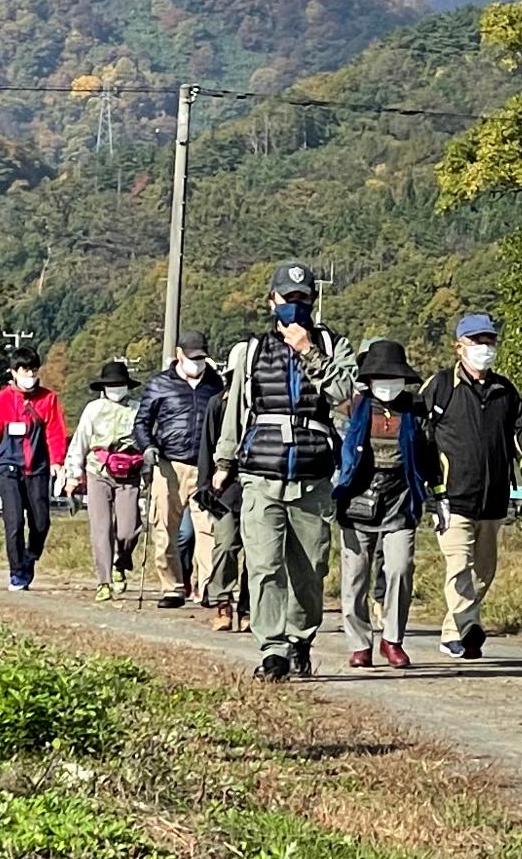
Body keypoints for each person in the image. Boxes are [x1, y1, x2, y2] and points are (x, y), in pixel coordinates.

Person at [213, 263, 358, 682]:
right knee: (264, 565)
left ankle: (300, 639)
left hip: (313, 475)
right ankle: (273, 648)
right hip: (261, 472)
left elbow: (344, 394)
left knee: (310, 568)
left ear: (312, 300)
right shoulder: (251, 351)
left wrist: (308, 352)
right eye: (286, 298)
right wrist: (225, 465)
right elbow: (237, 410)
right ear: (271, 300)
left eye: (301, 298)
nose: (294, 306)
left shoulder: (333, 344)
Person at [419, 312, 522, 660]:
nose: (484, 348)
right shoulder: (440, 386)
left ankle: (456, 628)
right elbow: (420, 436)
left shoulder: (505, 390)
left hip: (494, 499)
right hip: (452, 498)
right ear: (458, 347)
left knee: (484, 571)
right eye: (477, 341)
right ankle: (464, 629)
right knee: (458, 564)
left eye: (489, 341)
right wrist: (430, 485)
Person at [334, 338, 429, 669]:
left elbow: (428, 455)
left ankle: (393, 638)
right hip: (357, 497)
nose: (388, 384)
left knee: (400, 568)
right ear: (369, 379)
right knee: (355, 575)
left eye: (394, 377)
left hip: (400, 499)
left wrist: (437, 493)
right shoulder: (353, 407)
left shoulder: (415, 412)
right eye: (381, 377)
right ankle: (359, 643)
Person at [133, 330, 223, 610]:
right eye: (193, 357)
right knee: (164, 529)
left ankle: (208, 586)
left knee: (209, 530)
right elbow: (141, 423)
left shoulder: (215, 384)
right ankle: (172, 587)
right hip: (169, 466)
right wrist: (147, 447)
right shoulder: (160, 384)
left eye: (202, 358)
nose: (198, 363)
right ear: (179, 354)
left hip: (205, 468)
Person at [0, 345, 69, 590]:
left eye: (32, 370)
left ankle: (31, 555)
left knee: (41, 522)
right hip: (9, 469)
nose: (29, 375)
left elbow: (55, 432)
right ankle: (17, 571)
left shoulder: (48, 399)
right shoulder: (1, 401)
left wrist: (58, 461)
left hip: (38, 469)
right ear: (13, 372)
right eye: (24, 370)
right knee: (14, 523)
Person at [63, 360, 146, 602]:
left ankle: (122, 561)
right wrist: (73, 474)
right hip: (97, 472)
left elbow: (146, 441)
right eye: (111, 384)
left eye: (120, 384)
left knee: (129, 529)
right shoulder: (93, 409)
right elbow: (80, 442)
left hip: (129, 474)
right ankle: (104, 581)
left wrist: (149, 468)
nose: (116, 388)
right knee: (101, 529)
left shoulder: (137, 410)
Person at [195, 385, 250, 631]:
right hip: (223, 489)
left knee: (256, 553)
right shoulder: (218, 403)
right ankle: (222, 602)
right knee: (225, 545)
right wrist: (204, 488)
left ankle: (248, 608)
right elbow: (206, 446)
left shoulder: (267, 398)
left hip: (257, 484)